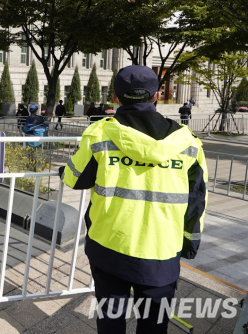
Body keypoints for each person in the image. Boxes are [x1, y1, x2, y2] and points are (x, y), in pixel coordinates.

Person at [59, 65, 208, 334]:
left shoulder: (99, 133)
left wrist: (64, 169)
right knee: (154, 323)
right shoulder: (188, 142)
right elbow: (197, 202)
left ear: (115, 97)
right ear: (156, 97)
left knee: (110, 319)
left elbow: (73, 178)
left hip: (109, 245)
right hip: (162, 251)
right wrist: (190, 244)